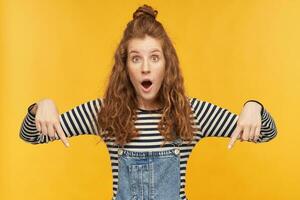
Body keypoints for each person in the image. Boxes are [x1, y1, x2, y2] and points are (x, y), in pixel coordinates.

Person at [19, 4, 277, 200]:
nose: (145, 68)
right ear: (125, 67)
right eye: (135, 58)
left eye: (154, 57)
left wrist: (254, 107)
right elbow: (31, 135)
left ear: (167, 65)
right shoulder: (106, 113)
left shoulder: (191, 113)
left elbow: (266, 133)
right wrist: (40, 107)